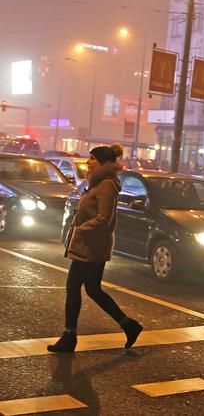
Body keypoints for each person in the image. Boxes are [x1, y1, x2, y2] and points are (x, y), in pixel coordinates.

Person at [48, 144, 143, 353]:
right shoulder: (96, 183)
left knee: (73, 287)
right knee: (93, 289)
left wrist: (82, 229)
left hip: (91, 246)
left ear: (101, 162)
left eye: (92, 158)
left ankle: (69, 336)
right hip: (88, 244)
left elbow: (104, 218)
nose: (88, 161)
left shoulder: (106, 185)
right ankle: (129, 325)